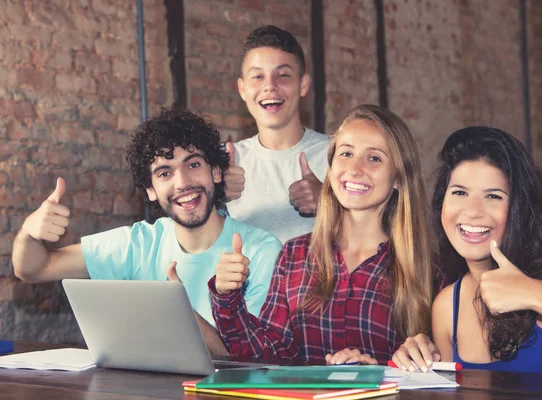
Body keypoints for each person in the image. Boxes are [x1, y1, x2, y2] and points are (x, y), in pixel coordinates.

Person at [12, 109, 282, 356]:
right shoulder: (138, 244)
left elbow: (247, 357)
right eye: (165, 173)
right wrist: (29, 233)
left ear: (215, 171)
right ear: (151, 190)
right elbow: (34, 268)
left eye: (193, 165)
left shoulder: (261, 249)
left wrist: (179, 310)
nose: (183, 183)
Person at [209, 104, 433, 364]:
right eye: (346, 153)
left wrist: (383, 369)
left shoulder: (425, 269)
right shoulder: (294, 255)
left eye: (374, 158)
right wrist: (227, 297)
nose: (354, 169)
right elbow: (269, 355)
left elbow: (438, 371)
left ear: (399, 177)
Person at [394, 126, 542, 375]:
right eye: (459, 192)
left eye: (493, 196)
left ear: (519, 211)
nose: (472, 210)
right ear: (442, 204)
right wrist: (418, 360)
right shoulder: (448, 306)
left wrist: (536, 294)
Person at [224, 25, 330, 243]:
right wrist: (211, 196)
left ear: (303, 85)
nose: (270, 86)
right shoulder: (221, 164)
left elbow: (383, 229)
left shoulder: (339, 156)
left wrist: (331, 203)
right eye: (258, 77)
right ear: (242, 89)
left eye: (283, 75)